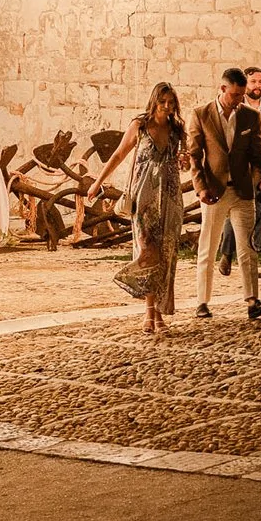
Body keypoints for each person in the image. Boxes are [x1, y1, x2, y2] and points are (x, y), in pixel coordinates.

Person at [90, 83, 186, 334]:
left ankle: (158, 314)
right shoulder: (140, 126)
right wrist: (98, 182)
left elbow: (184, 162)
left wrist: (185, 161)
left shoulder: (177, 129)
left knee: (166, 255)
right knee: (148, 252)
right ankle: (148, 311)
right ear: (154, 101)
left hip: (170, 197)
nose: (166, 106)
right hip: (144, 197)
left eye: (170, 102)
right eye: (162, 101)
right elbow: (118, 155)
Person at [192, 68, 261, 320]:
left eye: (241, 95)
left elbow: (256, 155)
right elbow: (194, 156)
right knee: (208, 247)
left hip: (242, 191)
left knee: (248, 247)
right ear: (223, 88)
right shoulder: (201, 114)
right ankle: (202, 302)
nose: (238, 100)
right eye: (235, 95)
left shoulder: (250, 116)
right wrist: (200, 188)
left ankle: (252, 300)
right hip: (213, 191)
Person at [218, 66, 261, 277]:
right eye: (253, 82)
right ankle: (227, 254)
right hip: (243, 168)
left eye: (260, 82)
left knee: (260, 213)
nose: (257, 86)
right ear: (246, 84)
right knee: (237, 211)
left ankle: (251, 262)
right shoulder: (237, 106)